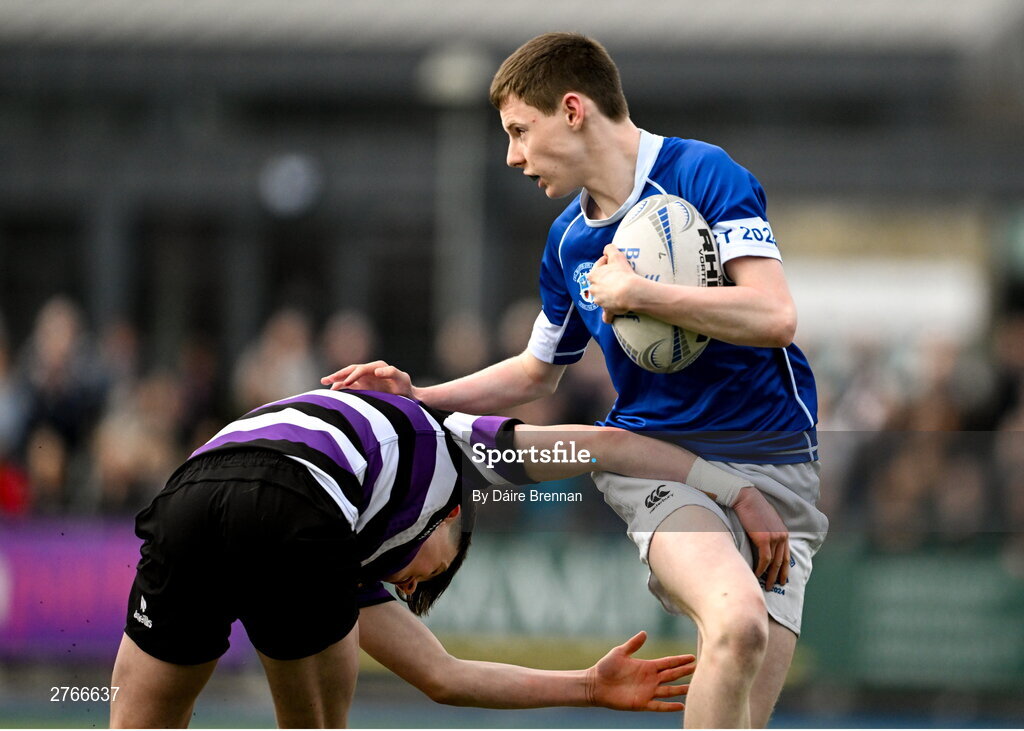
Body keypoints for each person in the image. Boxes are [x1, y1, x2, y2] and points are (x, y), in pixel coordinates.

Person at [324, 32, 828, 729]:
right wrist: (421, 396)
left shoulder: (705, 174)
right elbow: (536, 373)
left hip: (778, 462)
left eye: (519, 131)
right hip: (657, 463)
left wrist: (640, 293)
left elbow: (774, 316)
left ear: (572, 109)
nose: (512, 156)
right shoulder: (567, 240)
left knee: (743, 696)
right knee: (737, 623)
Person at [110, 385, 793, 728]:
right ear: (453, 517)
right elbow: (605, 446)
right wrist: (735, 490)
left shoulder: (359, 553)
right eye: (431, 572)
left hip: (188, 498)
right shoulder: (462, 449)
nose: (407, 583)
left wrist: (587, 685)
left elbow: (441, 674)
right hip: (293, 496)